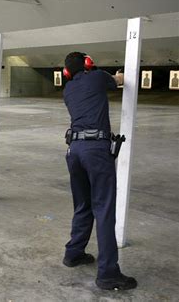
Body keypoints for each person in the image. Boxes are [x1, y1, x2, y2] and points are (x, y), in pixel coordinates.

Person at [62, 52, 136, 290]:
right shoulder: (95, 77)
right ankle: (108, 274)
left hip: (74, 151)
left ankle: (74, 253)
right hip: (96, 150)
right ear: (88, 64)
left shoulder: (68, 90)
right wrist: (116, 74)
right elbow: (121, 79)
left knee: (83, 205)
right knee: (103, 209)